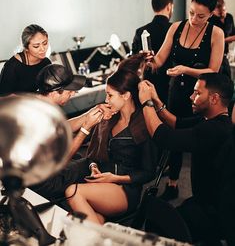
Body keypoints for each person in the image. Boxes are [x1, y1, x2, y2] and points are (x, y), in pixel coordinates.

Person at [145, 0, 225, 201]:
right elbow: (160, 60)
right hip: (177, 91)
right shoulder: (176, 28)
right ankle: (172, 183)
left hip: (201, 94)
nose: (194, 19)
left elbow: (213, 70)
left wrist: (185, 69)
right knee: (174, 133)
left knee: (197, 137)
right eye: (191, 12)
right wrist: (149, 60)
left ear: (210, 14)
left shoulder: (216, 33)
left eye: (200, 16)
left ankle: (202, 192)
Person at [138, 73, 234, 245]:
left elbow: (163, 137)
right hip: (204, 200)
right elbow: (176, 123)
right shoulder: (209, 120)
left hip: (215, 211)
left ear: (214, 98)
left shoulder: (216, 130)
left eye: (197, 93)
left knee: (159, 228)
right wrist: (157, 101)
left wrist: (146, 103)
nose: (191, 96)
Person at [65, 68, 157, 224]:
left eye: (110, 95)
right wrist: (94, 166)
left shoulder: (144, 125)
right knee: (76, 220)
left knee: (72, 192)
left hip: (125, 190)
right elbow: (92, 154)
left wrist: (115, 177)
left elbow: (149, 173)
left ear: (126, 95)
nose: (106, 100)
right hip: (103, 182)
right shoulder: (109, 119)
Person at [30, 64, 111, 203]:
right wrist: (86, 129)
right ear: (56, 91)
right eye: (70, 91)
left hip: (34, 171)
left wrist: (89, 113)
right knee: (94, 164)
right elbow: (59, 161)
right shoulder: (41, 119)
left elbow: (63, 126)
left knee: (80, 157)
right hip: (42, 182)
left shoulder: (37, 102)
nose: (73, 93)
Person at [132, 0, 174, 103]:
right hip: (171, 84)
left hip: (149, 83)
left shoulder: (140, 31)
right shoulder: (175, 29)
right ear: (169, 6)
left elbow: (134, 60)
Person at [0, 24, 51, 95]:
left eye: (45, 43)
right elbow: (4, 97)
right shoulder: (13, 67)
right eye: (36, 46)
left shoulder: (46, 63)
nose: (43, 49)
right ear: (26, 48)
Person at [209, 0, 235, 77]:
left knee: (228, 80)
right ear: (213, 11)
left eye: (224, 10)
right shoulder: (210, 21)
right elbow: (210, 41)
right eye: (219, 12)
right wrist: (226, 40)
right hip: (213, 57)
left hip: (225, 55)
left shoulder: (229, 18)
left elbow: (233, 33)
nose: (223, 13)